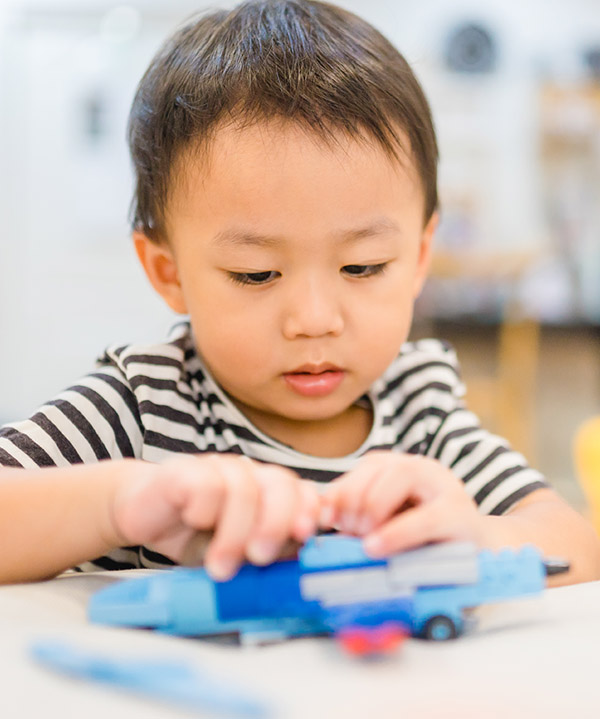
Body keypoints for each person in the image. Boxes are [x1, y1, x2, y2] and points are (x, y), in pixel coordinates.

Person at [1, 0, 598, 586]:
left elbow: (577, 548)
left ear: (419, 257)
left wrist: (476, 539)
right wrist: (118, 503)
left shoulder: (422, 417)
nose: (314, 321)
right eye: (256, 274)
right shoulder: (145, 406)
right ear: (168, 272)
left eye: (363, 267)